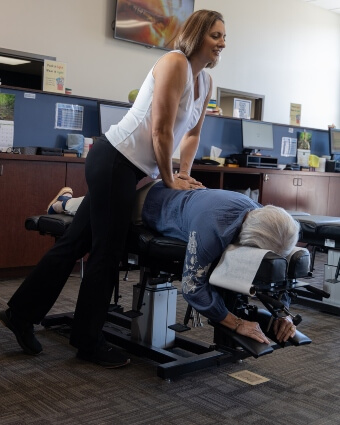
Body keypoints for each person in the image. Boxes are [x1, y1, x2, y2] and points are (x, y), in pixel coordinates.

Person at [0, 10, 226, 368]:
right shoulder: (174, 63)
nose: (222, 43)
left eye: (224, 37)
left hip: (131, 167)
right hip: (115, 160)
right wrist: (169, 180)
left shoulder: (206, 83)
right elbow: (161, 130)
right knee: (107, 251)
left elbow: (192, 134)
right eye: (215, 35)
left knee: (76, 242)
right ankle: (88, 341)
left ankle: (20, 313)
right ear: (197, 35)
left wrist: (184, 173)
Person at [46, 181, 300, 345]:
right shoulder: (211, 229)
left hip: (182, 196)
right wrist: (237, 323)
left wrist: (282, 313)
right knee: (90, 209)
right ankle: (63, 199)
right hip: (149, 202)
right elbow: (192, 287)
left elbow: (277, 270)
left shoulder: (265, 218)